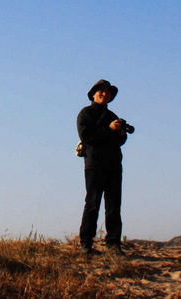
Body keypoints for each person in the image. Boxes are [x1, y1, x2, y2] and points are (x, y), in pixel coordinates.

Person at [77, 79, 129, 255]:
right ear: (93, 94)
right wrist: (109, 129)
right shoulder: (85, 113)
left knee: (114, 205)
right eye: (100, 91)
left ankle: (113, 244)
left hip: (114, 164)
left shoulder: (113, 116)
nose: (104, 94)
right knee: (92, 203)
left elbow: (119, 141)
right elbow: (87, 136)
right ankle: (86, 243)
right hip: (94, 164)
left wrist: (121, 133)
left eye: (107, 92)